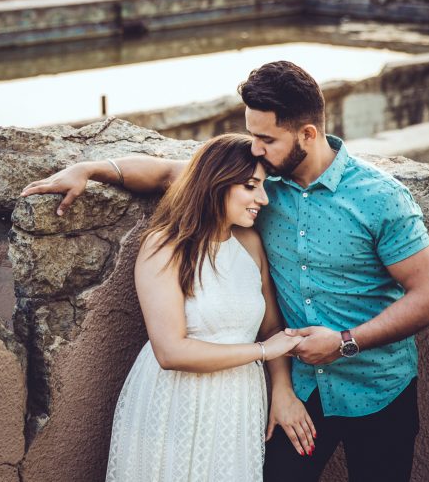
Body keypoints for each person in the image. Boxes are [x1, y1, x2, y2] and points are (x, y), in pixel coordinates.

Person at [21, 61, 429, 482]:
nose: (256, 148)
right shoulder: (257, 178)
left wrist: (344, 343)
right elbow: (172, 174)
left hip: (379, 387)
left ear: (307, 134)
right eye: (252, 135)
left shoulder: (381, 198)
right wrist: (89, 169)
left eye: (266, 138)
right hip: (298, 390)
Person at [104, 133, 307, 480]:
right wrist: (262, 351)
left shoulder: (250, 243)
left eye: (263, 186)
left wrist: (283, 390)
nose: (264, 198)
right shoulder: (165, 245)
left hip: (238, 403)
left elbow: (271, 328)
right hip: (173, 404)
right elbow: (170, 352)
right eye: (250, 186)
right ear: (217, 183)